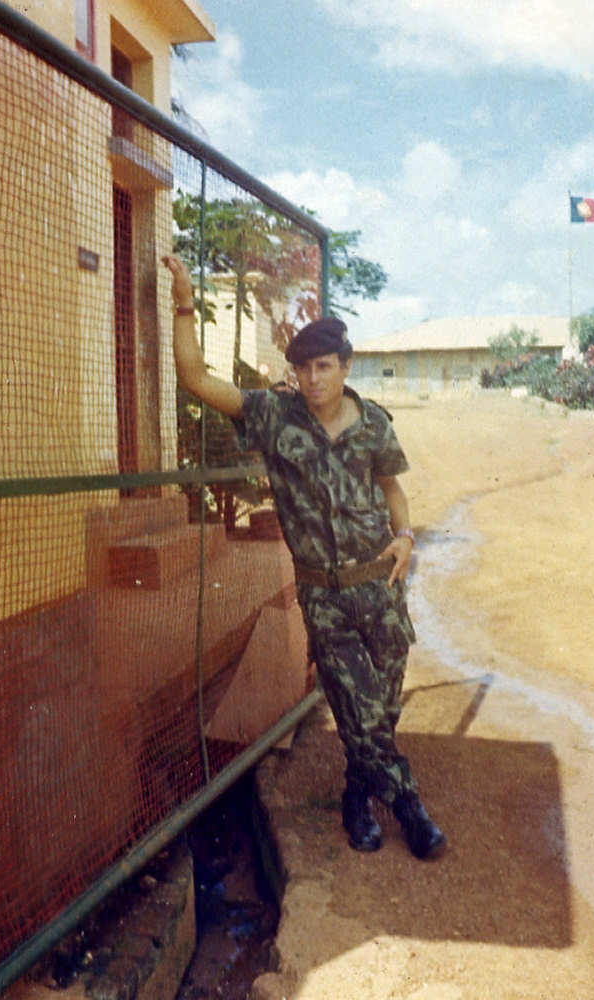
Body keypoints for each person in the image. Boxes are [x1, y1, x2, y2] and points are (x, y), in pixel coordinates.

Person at [163, 254, 446, 860]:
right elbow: (194, 378)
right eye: (303, 368)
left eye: (323, 366)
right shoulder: (273, 416)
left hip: (382, 588)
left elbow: (393, 489)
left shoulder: (374, 424)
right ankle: (409, 806)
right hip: (325, 596)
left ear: (346, 365)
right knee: (360, 707)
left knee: (378, 713)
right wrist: (185, 299)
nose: (312, 378)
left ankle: (356, 794)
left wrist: (405, 536)